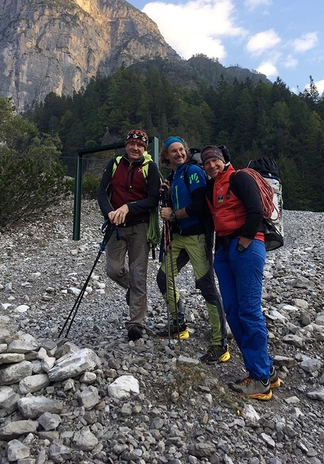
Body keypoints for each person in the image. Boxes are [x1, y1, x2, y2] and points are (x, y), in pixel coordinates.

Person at [200, 145, 281, 400]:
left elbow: (255, 209)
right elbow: (201, 213)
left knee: (248, 310)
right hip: (225, 250)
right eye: (207, 163)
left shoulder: (240, 177)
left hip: (246, 245)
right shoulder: (212, 187)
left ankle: (259, 379)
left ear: (224, 160)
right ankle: (265, 370)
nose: (211, 165)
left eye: (215, 160)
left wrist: (245, 240)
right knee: (233, 310)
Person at [156, 136, 230, 364]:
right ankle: (179, 325)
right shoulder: (172, 177)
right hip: (179, 236)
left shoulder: (193, 172)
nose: (179, 153)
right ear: (166, 156)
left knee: (206, 285)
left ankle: (220, 343)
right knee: (163, 278)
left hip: (198, 235)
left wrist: (174, 215)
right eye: (173, 151)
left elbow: (201, 204)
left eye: (181, 149)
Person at [97, 129, 160, 342]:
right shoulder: (114, 164)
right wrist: (109, 212)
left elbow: (153, 199)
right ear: (126, 145)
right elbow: (101, 192)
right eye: (132, 144)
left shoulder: (150, 168)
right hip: (115, 226)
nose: (135, 148)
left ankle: (136, 323)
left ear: (145, 149)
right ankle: (135, 293)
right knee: (113, 270)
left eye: (140, 145)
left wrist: (128, 207)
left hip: (139, 226)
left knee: (138, 273)